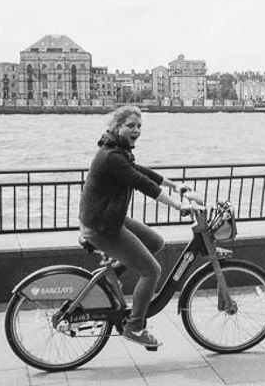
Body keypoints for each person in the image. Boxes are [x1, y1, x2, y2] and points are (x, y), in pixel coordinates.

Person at [78, 105, 201, 348]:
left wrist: (173, 185)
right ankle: (135, 326)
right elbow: (141, 183)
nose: (136, 130)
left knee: (156, 243)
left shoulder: (117, 150)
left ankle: (113, 273)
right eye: (130, 126)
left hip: (109, 218)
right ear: (116, 127)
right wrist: (178, 206)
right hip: (101, 226)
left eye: (139, 126)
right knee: (152, 271)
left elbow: (140, 171)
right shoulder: (111, 156)